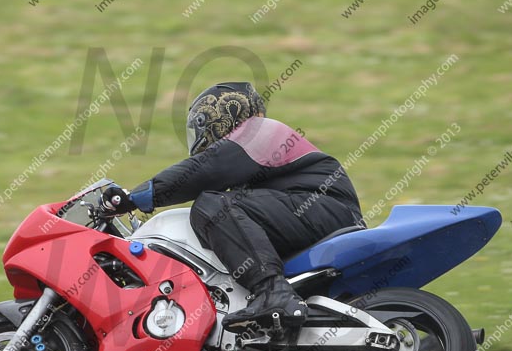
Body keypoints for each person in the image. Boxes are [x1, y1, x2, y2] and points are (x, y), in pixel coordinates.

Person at [102, 82, 363, 331]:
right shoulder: (257, 172)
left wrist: (135, 197)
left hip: (324, 210)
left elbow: (207, 168)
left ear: (220, 118)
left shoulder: (262, 131)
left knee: (213, 204)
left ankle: (274, 292)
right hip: (313, 216)